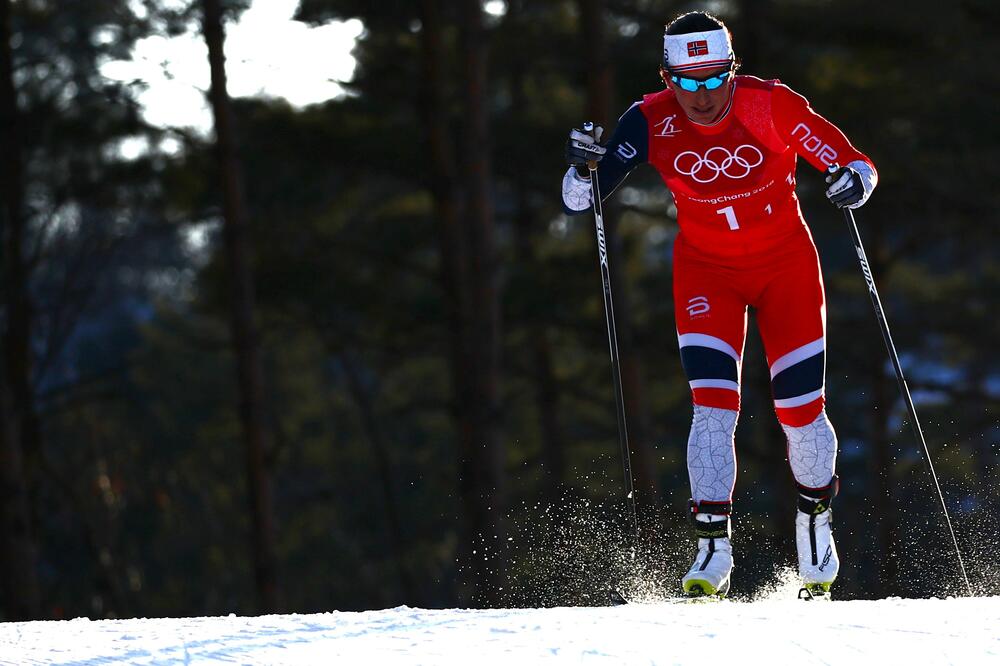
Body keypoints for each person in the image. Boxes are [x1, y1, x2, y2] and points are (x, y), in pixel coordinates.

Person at [562, 10, 877, 598]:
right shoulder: (649, 119)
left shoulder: (769, 105)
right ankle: (712, 549)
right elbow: (583, 200)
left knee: (800, 411)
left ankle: (814, 522)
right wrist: (581, 169)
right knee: (713, 408)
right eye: (688, 82)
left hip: (786, 269)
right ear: (667, 77)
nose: (702, 96)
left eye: (714, 80)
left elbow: (855, 163)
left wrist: (852, 183)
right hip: (707, 274)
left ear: (732, 72)